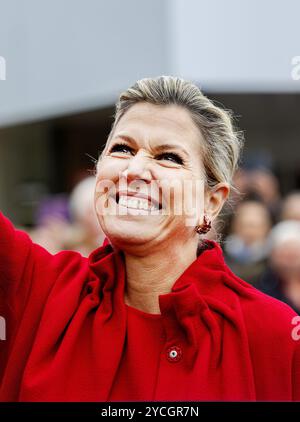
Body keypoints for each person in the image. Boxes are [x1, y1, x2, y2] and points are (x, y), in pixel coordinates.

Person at [0, 76, 299, 402]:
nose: (134, 169)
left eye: (168, 157)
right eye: (122, 149)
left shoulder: (277, 336)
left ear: (211, 202)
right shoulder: (33, 287)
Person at [224, 200, 272, 285]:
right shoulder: (221, 255)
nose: (250, 232)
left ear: (267, 228)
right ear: (234, 227)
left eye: (255, 226)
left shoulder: (274, 261)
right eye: (244, 225)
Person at [258, 220, 300, 314]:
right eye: (285, 255)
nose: (290, 263)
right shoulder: (263, 286)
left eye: (295, 255)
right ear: (273, 255)